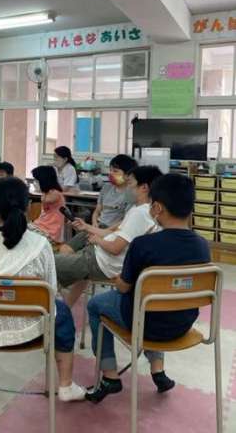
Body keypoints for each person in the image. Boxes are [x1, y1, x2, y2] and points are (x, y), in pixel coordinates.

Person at [86, 173, 210, 404]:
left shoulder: (143, 244)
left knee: (95, 305)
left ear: (158, 208)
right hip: (183, 324)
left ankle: (110, 375)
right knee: (161, 302)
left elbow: (123, 288)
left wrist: (118, 279)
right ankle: (158, 371)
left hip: (144, 323)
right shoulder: (203, 246)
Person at [0, 177, 85, 401]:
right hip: (30, 329)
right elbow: (51, 291)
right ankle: (66, 385)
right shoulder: (40, 244)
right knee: (62, 311)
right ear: (29, 206)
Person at [56, 166, 162, 307]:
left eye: (130, 183)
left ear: (144, 187)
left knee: (47, 263)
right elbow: (112, 233)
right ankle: (64, 306)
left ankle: (54, 310)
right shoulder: (141, 210)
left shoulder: (140, 213)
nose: (128, 187)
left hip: (99, 261)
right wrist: (86, 227)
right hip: (97, 256)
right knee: (59, 261)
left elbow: (115, 248)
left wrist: (97, 240)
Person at [30, 165, 66, 244]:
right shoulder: (47, 193)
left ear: (44, 180)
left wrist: (42, 190)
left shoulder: (55, 193)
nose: (35, 183)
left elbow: (46, 200)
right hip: (42, 225)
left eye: (36, 180)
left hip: (50, 231)